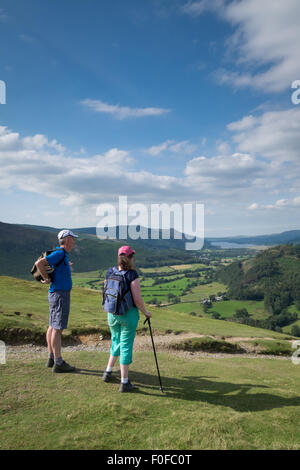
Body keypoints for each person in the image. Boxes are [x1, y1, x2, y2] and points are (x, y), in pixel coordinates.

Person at [102, 245, 152, 392]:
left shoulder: (110, 271)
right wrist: (146, 312)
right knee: (125, 346)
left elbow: (106, 291)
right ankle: (124, 382)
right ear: (130, 258)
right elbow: (137, 299)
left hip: (111, 314)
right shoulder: (132, 275)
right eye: (132, 256)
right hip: (128, 315)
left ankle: (108, 372)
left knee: (116, 341)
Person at [35, 229, 78, 373]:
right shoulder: (60, 253)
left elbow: (54, 267)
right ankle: (58, 362)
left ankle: (52, 358)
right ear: (67, 240)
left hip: (57, 294)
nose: (74, 242)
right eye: (73, 239)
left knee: (52, 326)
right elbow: (39, 263)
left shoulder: (63, 255)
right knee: (58, 328)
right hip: (60, 294)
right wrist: (46, 278)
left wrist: (66, 267)